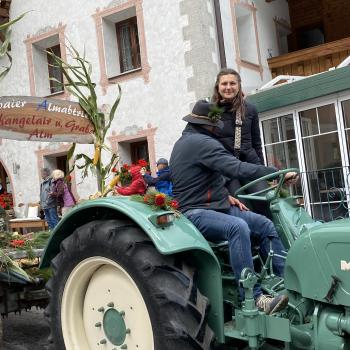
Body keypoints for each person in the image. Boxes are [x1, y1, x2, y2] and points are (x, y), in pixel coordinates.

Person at [170, 100, 298, 314]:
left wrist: (226, 196)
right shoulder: (200, 143)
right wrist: (276, 173)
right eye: (216, 126)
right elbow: (236, 168)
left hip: (216, 206)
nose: (218, 130)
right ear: (210, 126)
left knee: (264, 224)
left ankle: (287, 284)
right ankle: (253, 297)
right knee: (237, 227)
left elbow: (202, 177)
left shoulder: (187, 141)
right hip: (194, 212)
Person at [211, 68, 270, 216]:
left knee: (264, 202)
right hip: (227, 169)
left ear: (239, 86)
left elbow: (257, 143)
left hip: (250, 164)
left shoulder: (250, 109)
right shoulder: (211, 112)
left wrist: (262, 171)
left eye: (232, 83)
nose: (228, 87)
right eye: (224, 84)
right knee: (242, 209)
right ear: (218, 87)